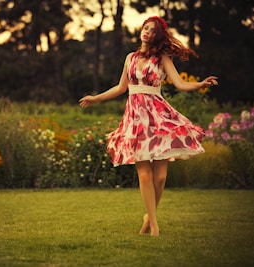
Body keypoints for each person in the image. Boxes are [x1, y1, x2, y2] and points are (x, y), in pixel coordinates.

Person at [79, 16, 218, 236]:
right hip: (136, 119)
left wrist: (200, 84)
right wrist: (95, 98)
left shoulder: (162, 58)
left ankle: (148, 216)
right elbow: (120, 88)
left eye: (152, 30)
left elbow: (180, 84)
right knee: (144, 175)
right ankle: (153, 225)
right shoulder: (130, 58)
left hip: (159, 118)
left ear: (157, 36)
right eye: (146, 28)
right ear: (141, 30)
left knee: (160, 178)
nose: (147, 32)